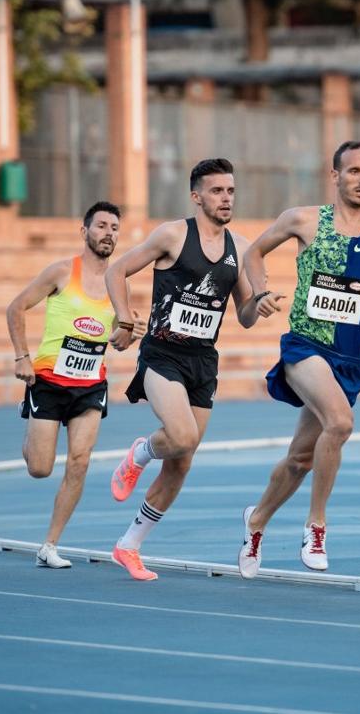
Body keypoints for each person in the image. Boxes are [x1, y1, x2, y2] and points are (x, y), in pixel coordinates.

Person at [237, 141, 360, 577]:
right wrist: (261, 290)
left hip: (349, 360)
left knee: (300, 459)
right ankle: (317, 526)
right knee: (340, 424)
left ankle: (255, 522)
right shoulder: (303, 220)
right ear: (335, 176)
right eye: (354, 171)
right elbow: (253, 252)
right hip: (305, 347)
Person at [104, 158, 269, 581]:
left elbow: (245, 316)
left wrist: (259, 303)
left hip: (203, 362)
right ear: (197, 196)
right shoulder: (173, 234)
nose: (226, 198)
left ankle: (129, 545)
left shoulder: (241, 248)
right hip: (162, 355)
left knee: (182, 462)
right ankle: (140, 453)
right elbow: (117, 269)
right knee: (180, 436)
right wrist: (124, 317)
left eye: (231, 191)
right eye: (217, 191)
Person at [6, 201, 144, 568]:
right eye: (101, 226)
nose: (108, 233)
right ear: (84, 232)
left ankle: (50, 545)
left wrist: (129, 333)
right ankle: (32, 434)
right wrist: (22, 356)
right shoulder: (62, 272)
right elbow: (15, 308)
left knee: (80, 462)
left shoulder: (120, 284)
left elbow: (119, 337)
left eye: (114, 227)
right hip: (49, 380)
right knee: (40, 467)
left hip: (90, 384)